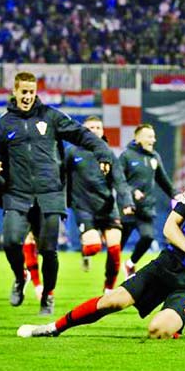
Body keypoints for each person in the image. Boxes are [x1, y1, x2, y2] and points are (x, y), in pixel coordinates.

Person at [17, 133, 185, 338]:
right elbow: (169, 229)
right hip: (168, 264)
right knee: (112, 301)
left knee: (157, 330)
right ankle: (51, 328)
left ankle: (175, 322)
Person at [0, 71, 112, 315]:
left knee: (48, 251)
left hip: (49, 195)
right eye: (23, 92)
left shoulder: (52, 116)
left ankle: (47, 296)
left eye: (31, 92)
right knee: (11, 241)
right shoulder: (5, 122)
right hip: (18, 194)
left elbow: (81, 134)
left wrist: (103, 152)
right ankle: (19, 276)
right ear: (15, 92)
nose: (27, 96)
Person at [65, 116, 134, 292]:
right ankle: (85, 252)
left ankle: (108, 289)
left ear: (103, 131)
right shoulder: (72, 152)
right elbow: (62, 179)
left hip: (107, 208)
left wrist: (127, 202)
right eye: (90, 127)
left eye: (98, 127)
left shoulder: (109, 154)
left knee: (114, 250)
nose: (94, 130)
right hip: (83, 208)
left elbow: (120, 181)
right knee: (94, 247)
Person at [119, 124, 176, 277]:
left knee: (148, 237)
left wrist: (175, 195)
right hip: (127, 208)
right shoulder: (126, 156)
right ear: (138, 138)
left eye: (154, 136)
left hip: (146, 208)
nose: (153, 140)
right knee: (117, 246)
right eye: (149, 136)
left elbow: (163, 180)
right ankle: (109, 280)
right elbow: (119, 181)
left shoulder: (155, 157)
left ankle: (130, 264)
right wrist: (132, 192)